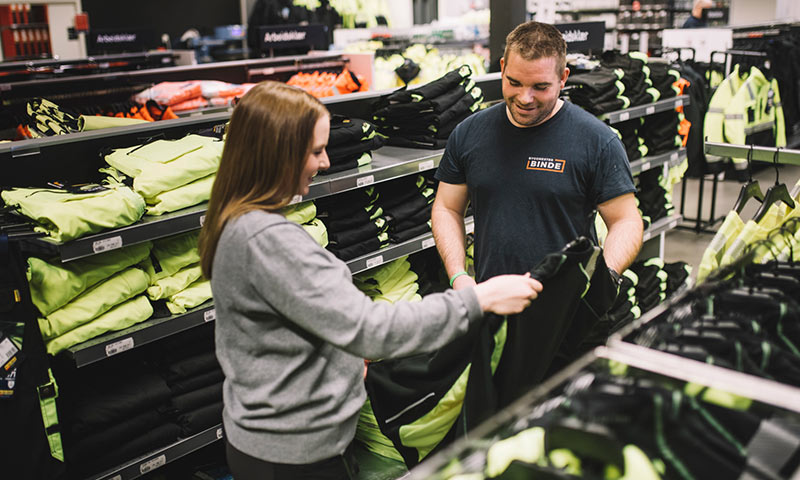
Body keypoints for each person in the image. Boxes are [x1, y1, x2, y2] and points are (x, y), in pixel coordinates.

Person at [198, 81, 543, 480]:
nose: (325, 162)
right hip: (294, 457)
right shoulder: (269, 241)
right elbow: (370, 329)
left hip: (277, 442)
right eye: (314, 151)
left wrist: (340, 356)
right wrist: (479, 299)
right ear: (276, 155)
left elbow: (282, 324)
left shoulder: (240, 222)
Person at [432, 22, 642, 318]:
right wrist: (458, 276)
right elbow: (446, 208)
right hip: (494, 310)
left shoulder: (597, 141)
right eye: (514, 82)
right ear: (503, 67)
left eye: (540, 87)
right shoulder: (469, 134)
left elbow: (626, 220)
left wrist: (602, 276)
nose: (525, 98)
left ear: (563, 78)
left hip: (570, 314)